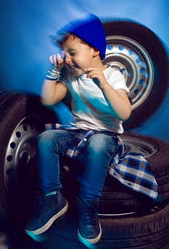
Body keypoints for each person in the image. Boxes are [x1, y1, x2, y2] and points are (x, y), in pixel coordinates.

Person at [25, 14, 132, 245]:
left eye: (72, 53)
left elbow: (124, 113)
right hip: (77, 133)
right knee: (46, 138)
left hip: (105, 134)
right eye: (66, 54)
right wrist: (53, 73)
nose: (67, 58)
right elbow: (48, 99)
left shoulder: (113, 75)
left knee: (99, 143)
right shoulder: (71, 76)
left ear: (94, 50)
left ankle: (88, 206)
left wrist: (103, 84)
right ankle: (52, 199)